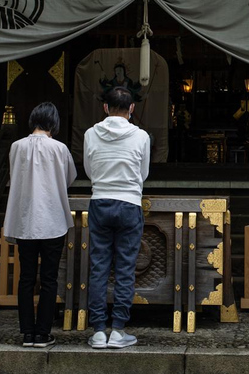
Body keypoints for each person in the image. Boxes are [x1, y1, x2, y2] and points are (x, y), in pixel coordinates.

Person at [4, 102, 76, 348]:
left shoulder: (16, 147)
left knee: (25, 278)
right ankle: (42, 334)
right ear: (54, 123)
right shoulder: (60, 148)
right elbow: (69, 178)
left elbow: (14, 177)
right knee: (49, 278)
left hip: (25, 220)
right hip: (53, 220)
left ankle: (27, 333)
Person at [84, 86, 150, 349]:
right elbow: (143, 173)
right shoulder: (142, 136)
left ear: (105, 108)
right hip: (130, 203)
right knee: (125, 269)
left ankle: (99, 330)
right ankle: (118, 330)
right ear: (132, 109)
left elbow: (89, 171)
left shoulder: (90, 134)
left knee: (99, 267)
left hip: (100, 200)